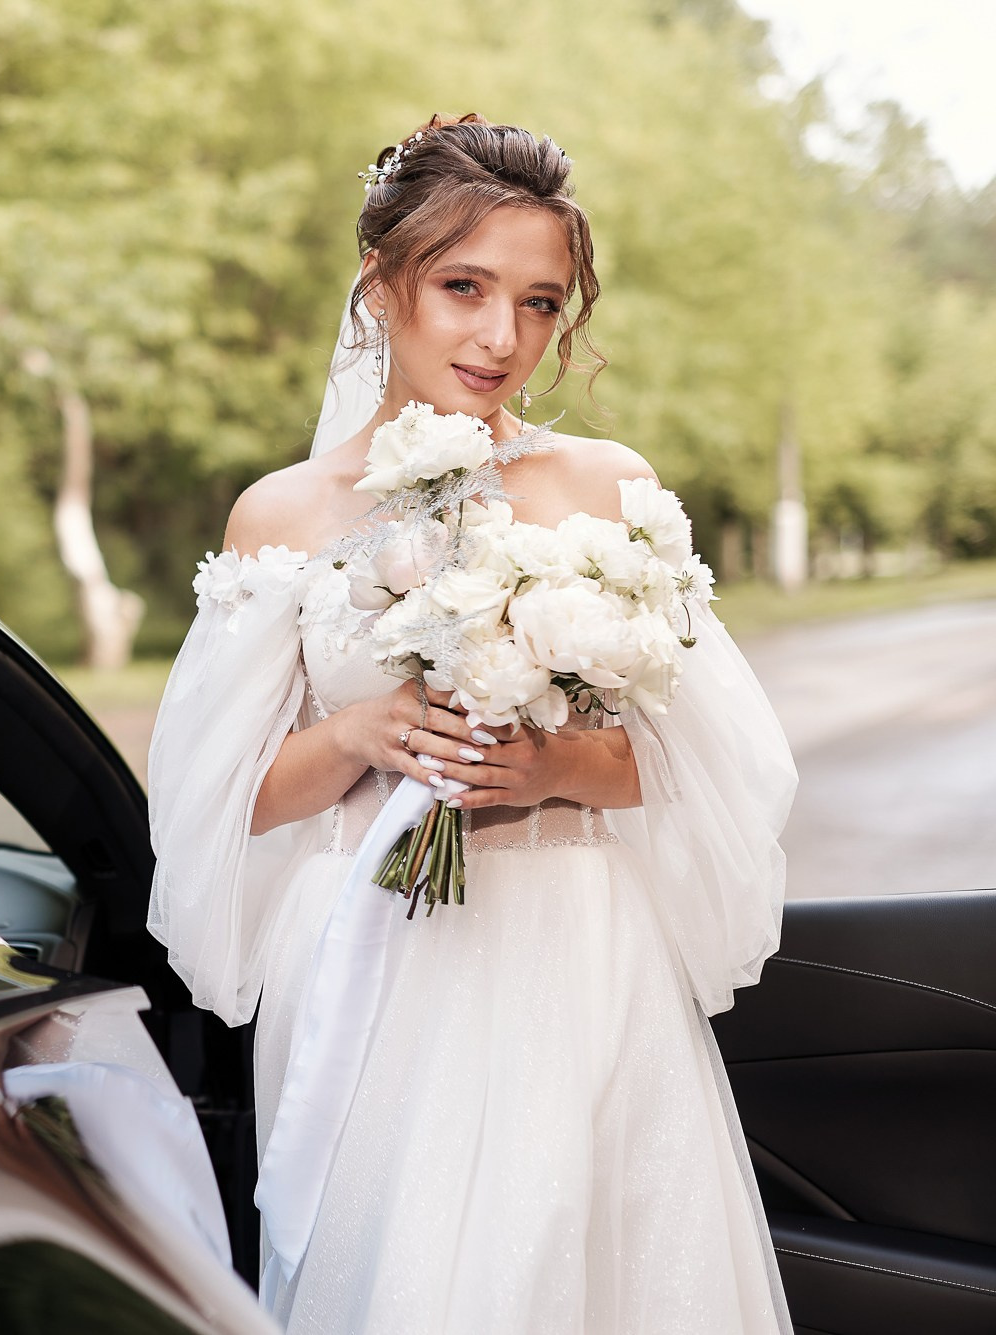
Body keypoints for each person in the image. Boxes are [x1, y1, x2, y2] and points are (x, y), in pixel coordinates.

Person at [147, 114, 798, 1333]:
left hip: (572, 947)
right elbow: (222, 803)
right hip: (365, 964)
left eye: (539, 303)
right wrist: (357, 736)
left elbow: (688, 765)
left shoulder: (605, 487)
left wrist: (550, 765)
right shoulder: (279, 515)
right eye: (463, 287)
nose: (502, 337)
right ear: (379, 283)